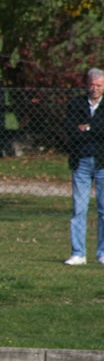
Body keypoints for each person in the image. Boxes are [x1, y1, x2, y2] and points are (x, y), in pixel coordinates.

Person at [64, 67, 104, 265]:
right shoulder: (76, 104)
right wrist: (92, 130)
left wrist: (87, 128)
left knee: (103, 208)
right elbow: (70, 130)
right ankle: (78, 252)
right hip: (80, 161)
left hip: (102, 162)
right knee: (79, 208)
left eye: (98, 85)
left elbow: (100, 131)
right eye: (91, 85)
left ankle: (102, 252)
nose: (94, 88)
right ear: (86, 84)